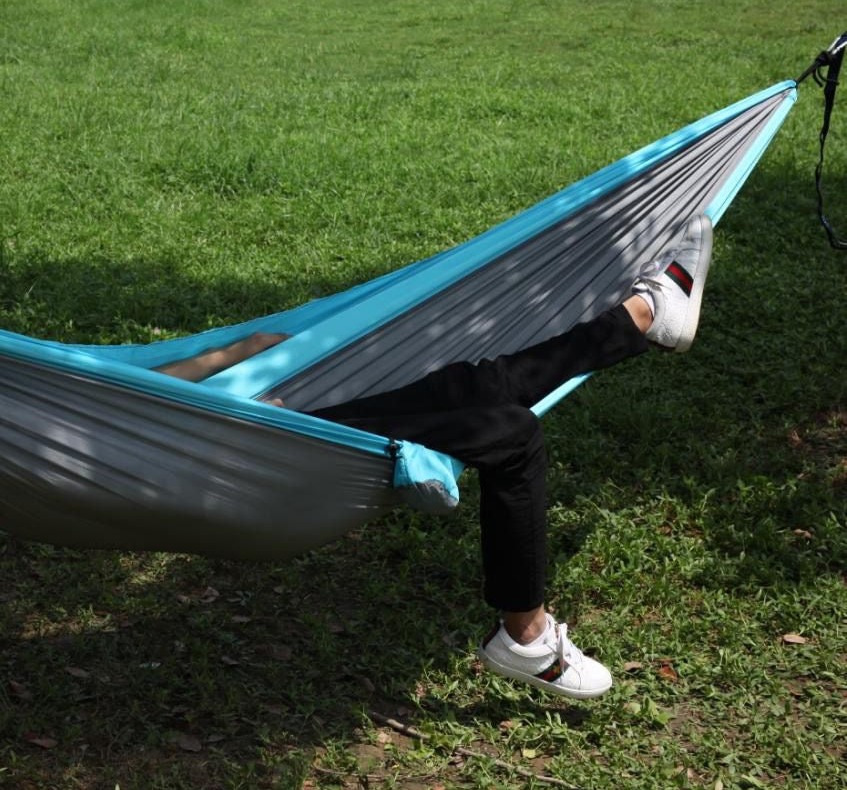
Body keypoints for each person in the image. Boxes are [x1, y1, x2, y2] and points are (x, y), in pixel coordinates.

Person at [153, 215, 715, 700]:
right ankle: (525, 636)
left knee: (474, 389)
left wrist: (241, 353)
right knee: (509, 430)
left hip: (277, 423)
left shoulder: (88, 398)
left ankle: (643, 317)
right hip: (266, 447)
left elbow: (146, 386)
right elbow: (131, 406)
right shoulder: (78, 405)